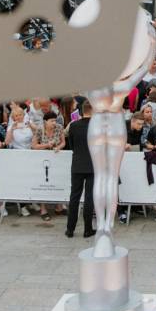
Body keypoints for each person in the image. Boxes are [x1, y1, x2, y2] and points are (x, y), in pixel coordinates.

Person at [65, 99, 95, 239]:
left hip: (77, 164)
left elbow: (71, 144)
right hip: (93, 165)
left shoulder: (74, 126)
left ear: (82, 111)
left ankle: (70, 229)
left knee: (74, 197)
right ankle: (87, 229)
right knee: (89, 198)